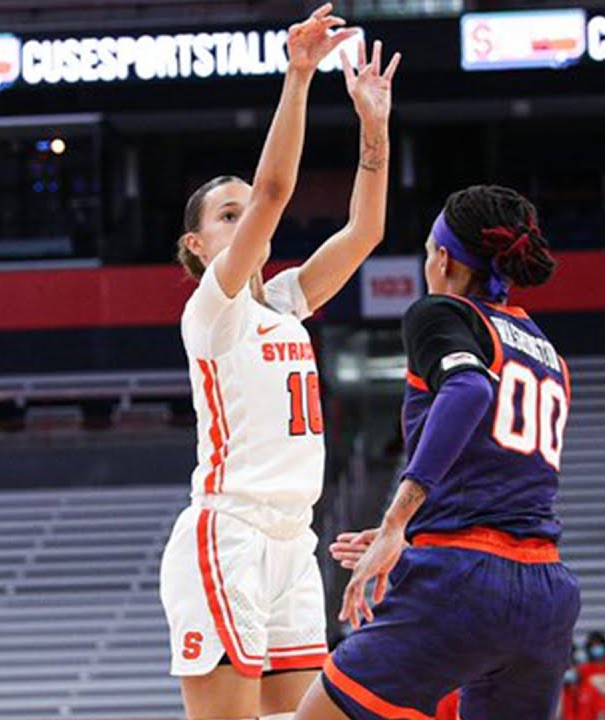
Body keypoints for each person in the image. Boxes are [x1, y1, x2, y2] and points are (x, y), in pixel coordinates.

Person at [158, 7, 399, 719]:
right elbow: (273, 193)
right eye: (226, 217)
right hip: (229, 532)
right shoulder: (213, 309)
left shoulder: (286, 301)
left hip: (294, 540)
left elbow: (366, 230)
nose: (247, 220)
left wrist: (374, 128)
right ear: (198, 246)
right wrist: (298, 76)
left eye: (244, 213)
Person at [295, 183, 574, 720]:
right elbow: (503, 473)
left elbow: (468, 390)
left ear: (443, 258)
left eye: (427, 252)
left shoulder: (441, 312)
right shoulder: (547, 353)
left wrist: (397, 521)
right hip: (546, 593)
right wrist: (418, 531)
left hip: (464, 581)